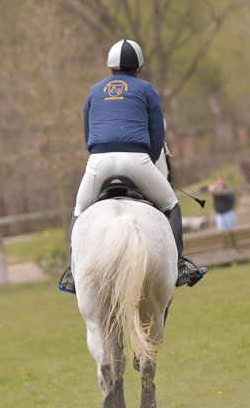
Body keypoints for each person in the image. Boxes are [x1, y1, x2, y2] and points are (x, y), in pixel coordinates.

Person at [59, 38, 208, 294]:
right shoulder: (147, 88)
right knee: (171, 204)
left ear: (110, 65)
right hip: (136, 159)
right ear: (139, 66)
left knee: (79, 210)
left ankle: (73, 272)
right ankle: (180, 265)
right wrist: (146, 163)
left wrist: (99, 155)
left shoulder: (95, 90)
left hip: (99, 161)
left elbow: (88, 132)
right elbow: (157, 132)